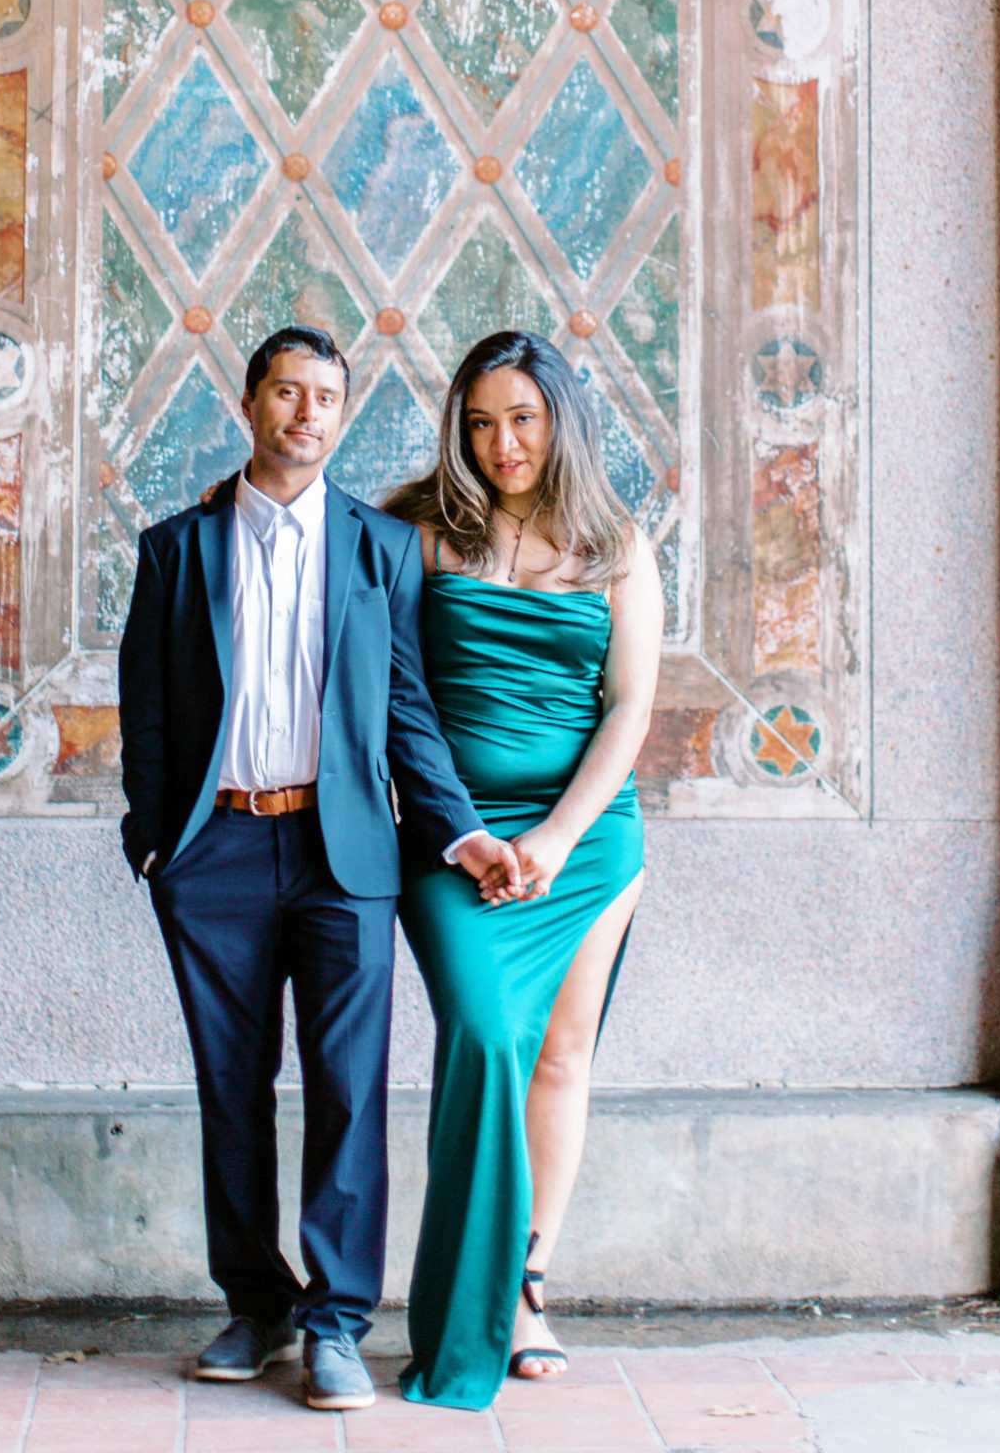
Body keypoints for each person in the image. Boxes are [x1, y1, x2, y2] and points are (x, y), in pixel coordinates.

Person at [117, 324, 520, 1414]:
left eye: (326, 398)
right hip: (217, 855)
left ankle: (337, 1321)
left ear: (343, 415)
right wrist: (153, 837)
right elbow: (147, 711)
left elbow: (405, 708)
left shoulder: (378, 549)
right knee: (233, 1089)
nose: (306, 413)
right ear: (250, 404)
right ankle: (256, 1307)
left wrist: (459, 828)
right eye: (287, 392)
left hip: (348, 858)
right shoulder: (174, 549)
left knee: (348, 1090)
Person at [383, 329, 660, 1409]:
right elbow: (398, 696)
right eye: (483, 421)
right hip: (456, 839)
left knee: (561, 1057)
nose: (504, 442)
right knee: (488, 1035)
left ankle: (529, 1280)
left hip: (588, 839)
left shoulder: (617, 541)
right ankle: (464, 1305)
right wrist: (472, 831)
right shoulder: (415, 533)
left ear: (561, 420)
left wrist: (554, 838)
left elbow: (630, 707)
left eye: (525, 419)